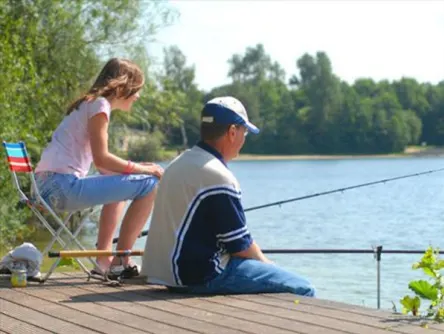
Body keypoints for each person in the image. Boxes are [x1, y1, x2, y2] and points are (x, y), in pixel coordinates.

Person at [141, 96, 315, 296]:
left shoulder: (178, 163)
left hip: (166, 275)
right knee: (303, 288)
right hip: (199, 277)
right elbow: (240, 246)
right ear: (233, 132)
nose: (244, 138)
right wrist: (269, 265)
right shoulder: (218, 176)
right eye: (245, 132)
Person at [34, 58, 164, 279]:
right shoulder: (100, 106)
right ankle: (121, 261)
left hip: (46, 186)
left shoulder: (88, 103)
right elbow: (102, 159)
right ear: (122, 86)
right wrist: (146, 170)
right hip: (61, 187)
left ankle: (104, 262)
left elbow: (104, 166)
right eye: (136, 89)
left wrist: (135, 168)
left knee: (122, 184)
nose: (138, 96)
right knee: (149, 184)